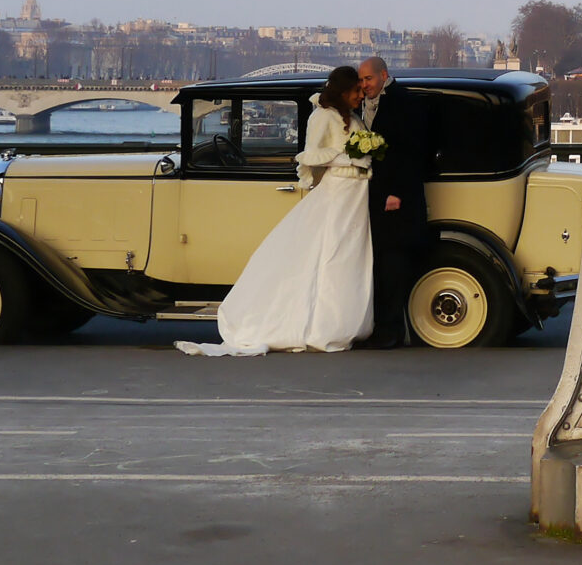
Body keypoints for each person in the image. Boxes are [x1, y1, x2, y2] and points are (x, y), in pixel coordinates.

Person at [175, 66, 374, 356]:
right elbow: (310, 155)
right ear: (344, 91)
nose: (361, 94)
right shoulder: (323, 115)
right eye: (356, 90)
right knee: (331, 256)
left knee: (346, 257)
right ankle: (323, 325)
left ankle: (339, 322)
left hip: (354, 195)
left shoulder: (350, 116)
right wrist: (348, 157)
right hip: (340, 190)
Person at [355, 56, 430, 349]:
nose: (364, 86)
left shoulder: (404, 102)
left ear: (383, 75)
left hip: (396, 199)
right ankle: (381, 326)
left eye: (368, 80)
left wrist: (397, 192)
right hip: (374, 198)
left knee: (393, 265)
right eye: (361, 81)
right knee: (380, 263)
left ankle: (391, 330)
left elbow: (412, 151)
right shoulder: (365, 104)